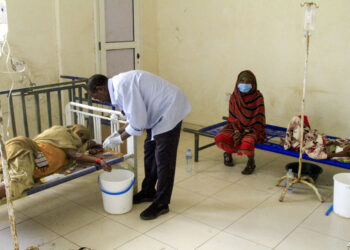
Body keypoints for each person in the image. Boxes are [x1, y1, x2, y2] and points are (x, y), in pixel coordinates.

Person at [87, 70, 191, 220]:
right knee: (149, 151)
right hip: (156, 113)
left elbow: (138, 124)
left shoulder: (122, 86)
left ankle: (162, 203)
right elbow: (133, 117)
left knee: (164, 160)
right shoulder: (116, 89)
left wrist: (118, 140)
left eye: (96, 97)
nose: (99, 100)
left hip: (170, 108)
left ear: (100, 88)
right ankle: (148, 191)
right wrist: (116, 133)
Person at [0, 125, 111, 199]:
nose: (81, 143)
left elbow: (78, 151)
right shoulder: (64, 134)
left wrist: (89, 146)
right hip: (25, 150)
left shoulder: (58, 140)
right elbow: (75, 154)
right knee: (20, 182)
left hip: (18, 152)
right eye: (83, 140)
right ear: (80, 135)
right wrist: (98, 160)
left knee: (6, 176)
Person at [215, 70, 266, 175]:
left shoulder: (258, 97)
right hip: (235, 126)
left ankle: (251, 162)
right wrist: (237, 131)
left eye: (248, 82)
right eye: (242, 81)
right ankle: (228, 153)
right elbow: (232, 118)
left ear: (253, 83)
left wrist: (244, 132)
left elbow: (258, 120)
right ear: (237, 82)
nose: (244, 84)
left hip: (252, 128)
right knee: (222, 137)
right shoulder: (234, 96)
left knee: (247, 141)